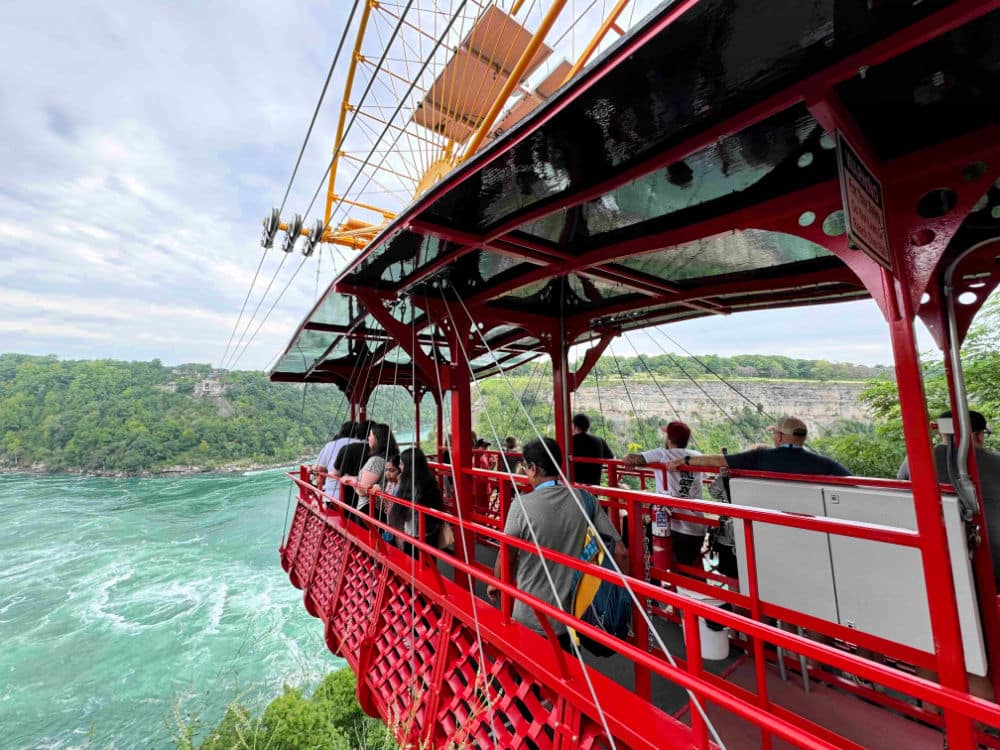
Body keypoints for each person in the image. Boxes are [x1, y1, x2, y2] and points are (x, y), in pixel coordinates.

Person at [487, 438, 628, 650]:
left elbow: (506, 554)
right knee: (567, 675)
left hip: (529, 616)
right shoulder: (585, 499)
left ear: (533, 468)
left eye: (526, 467)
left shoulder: (521, 505)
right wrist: (621, 595)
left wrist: (495, 581)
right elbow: (621, 552)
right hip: (570, 619)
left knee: (528, 677)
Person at [898, 410, 1000, 587]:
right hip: (992, 555)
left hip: (940, 553)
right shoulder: (995, 462)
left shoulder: (916, 460)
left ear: (942, 433)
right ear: (978, 435)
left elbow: (903, 490)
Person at [623, 421, 706, 568]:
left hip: (671, 528)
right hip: (697, 528)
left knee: (658, 560)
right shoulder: (697, 456)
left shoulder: (662, 454)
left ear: (668, 439)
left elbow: (630, 458)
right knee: (690, 570)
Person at [666, 416, 850, 477]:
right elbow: (853, 482)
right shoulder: (826, 464)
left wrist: (685, 459)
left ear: (778, 437)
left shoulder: (760, 457)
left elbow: (717, 460)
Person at [382, 448, 443, 558]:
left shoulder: (411, 485)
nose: (400, 467)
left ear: (409, 466)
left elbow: (398, 512)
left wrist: (400, 484)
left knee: (413, 564)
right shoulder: (429, 479)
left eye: (401, 464)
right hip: (431, 532)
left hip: (415, 534)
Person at [313, 421, 360, 505]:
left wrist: (312, 468)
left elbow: (319, 468)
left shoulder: (330, 445)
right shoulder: (363, 444)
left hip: (334, 493)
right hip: (359, 493)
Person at [332, 421, 372, 511]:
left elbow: (336, 472)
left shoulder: (345, 448)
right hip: (370, 500)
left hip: (347, 496)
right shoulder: (377, 452)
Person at [571, 413, 615, 486]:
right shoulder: (600, 440)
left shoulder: (569, 441)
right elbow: (612, 458)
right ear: (588, 426)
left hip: (575, 488)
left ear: (574, 426)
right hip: (594, 487)